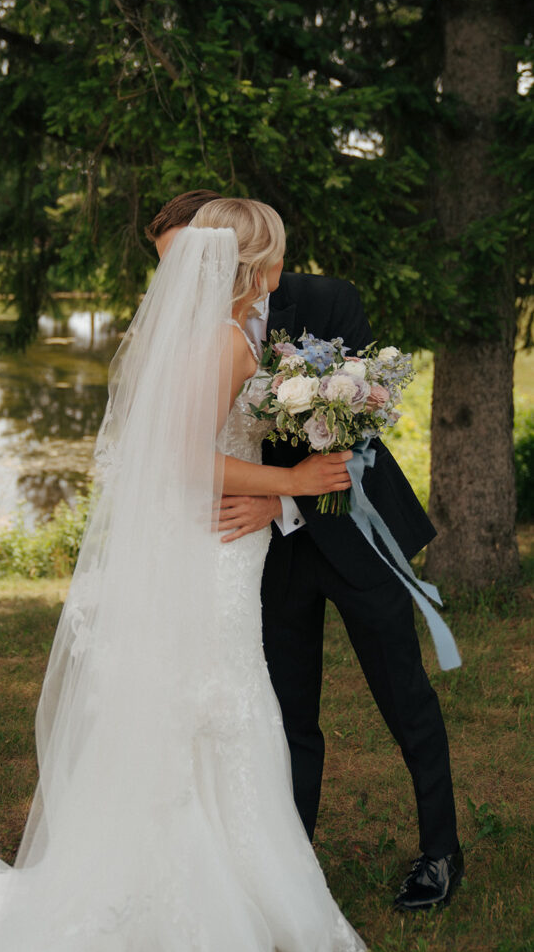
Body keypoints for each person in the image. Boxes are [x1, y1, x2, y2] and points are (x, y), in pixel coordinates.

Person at [0, 200, 365, 952]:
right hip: (211, 545)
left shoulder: (214, 337)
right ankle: (212, 906)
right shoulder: (229, 341)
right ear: (253, 266)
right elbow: (183, 461)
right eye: (273, 259)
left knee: (209, 708)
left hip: (212, 544)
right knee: (225, 705)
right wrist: (289, 481)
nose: (277, 273)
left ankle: (218, 889)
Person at [146, 191, 463, 912]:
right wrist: (270, 498)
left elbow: (358, 435)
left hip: (352, 533)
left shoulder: (327, 302)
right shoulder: (204, 329)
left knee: (404, 695)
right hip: (268, 553)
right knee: (286, 713)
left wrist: (282, 496)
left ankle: (440, 852)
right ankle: (292, 865)